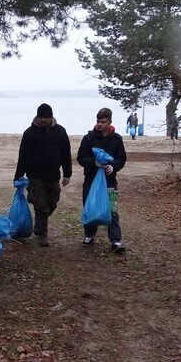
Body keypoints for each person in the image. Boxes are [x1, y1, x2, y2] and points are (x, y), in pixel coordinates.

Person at [13, 103, 72, 247]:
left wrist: (67, 174)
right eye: (41, 117)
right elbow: (23, 156)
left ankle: (39, 225)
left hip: (53, 176)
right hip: (35, 176)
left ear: (51, 117)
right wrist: (18, 176)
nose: (44, 120)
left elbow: (66, 153)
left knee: (52, 203)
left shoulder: (60, 131)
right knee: (41, 205)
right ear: (37, 117)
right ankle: (43, 236)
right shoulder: (29, 133)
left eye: (47, 117)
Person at [77, 107, 128, 253]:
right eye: (98, 121)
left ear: (110, 122)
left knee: (112, 209)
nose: (99, 124)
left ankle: (116, 240)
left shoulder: (117, 139)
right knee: (90, 207)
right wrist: (94, 163)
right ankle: (89, 235)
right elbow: (81, 158)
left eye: (103, 122)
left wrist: (114, 166)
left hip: (110, 182)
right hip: (91, 181)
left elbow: (122, 158)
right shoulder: (89, 138)